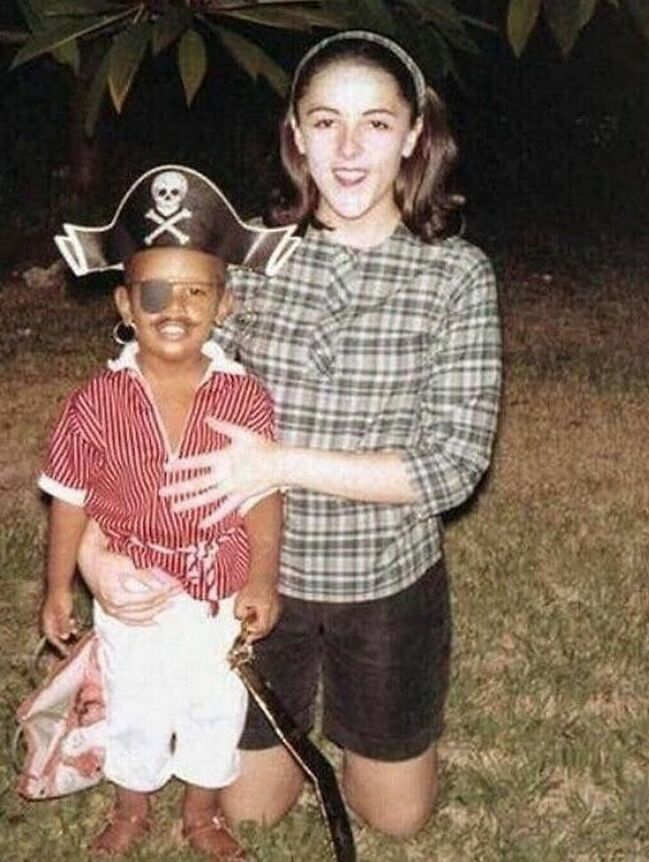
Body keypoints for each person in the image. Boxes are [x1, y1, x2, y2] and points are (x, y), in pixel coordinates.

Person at [83, 29, 502, 839]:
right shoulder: (247, 263)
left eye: (376, 124)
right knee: (250, 808)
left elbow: (452, 466)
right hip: (248, 582)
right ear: (296, 135)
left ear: (414, 135)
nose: (348, 150)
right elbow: (135, 412)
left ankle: (376, 731)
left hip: (385, 583)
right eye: (325, 122)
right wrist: (100, 548)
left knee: (397, 820)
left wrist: (276, 462)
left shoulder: (456, 275)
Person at [38, 166, 286, 859]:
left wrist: (262, 579)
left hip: (220, 592)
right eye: (153, 293)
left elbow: (264, 495)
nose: (174, 308)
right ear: (123, 304)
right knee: (138, 703)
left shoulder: (246, 398)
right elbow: (68, 497)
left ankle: (202, 814)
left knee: (214, 704)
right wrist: (61, 586)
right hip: (133, 595)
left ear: (224, 306)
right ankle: (132, 806)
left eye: (196, 292)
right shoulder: (94, 402)